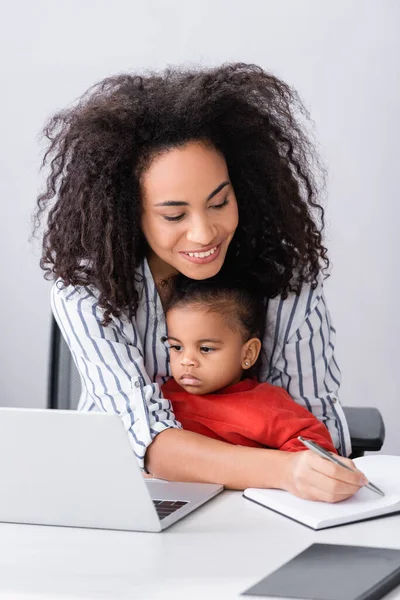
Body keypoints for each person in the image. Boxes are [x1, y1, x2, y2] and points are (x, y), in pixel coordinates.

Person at [34, 62, 367, 502]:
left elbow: (311, 426)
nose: (204, 234)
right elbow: (149, 443)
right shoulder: (86, 289)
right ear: (128, 213)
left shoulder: (283, 276)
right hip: (123, 496)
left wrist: (304, 470)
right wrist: (286, 470)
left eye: (219, 202)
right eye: (174, 215)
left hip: (261, 501)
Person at [161, 274, 338, 454]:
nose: (186, 361)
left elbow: (317, 449)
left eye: (206, 349)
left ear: (248, 353)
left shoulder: (267, 404)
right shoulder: (161, 400)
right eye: (176, 347)